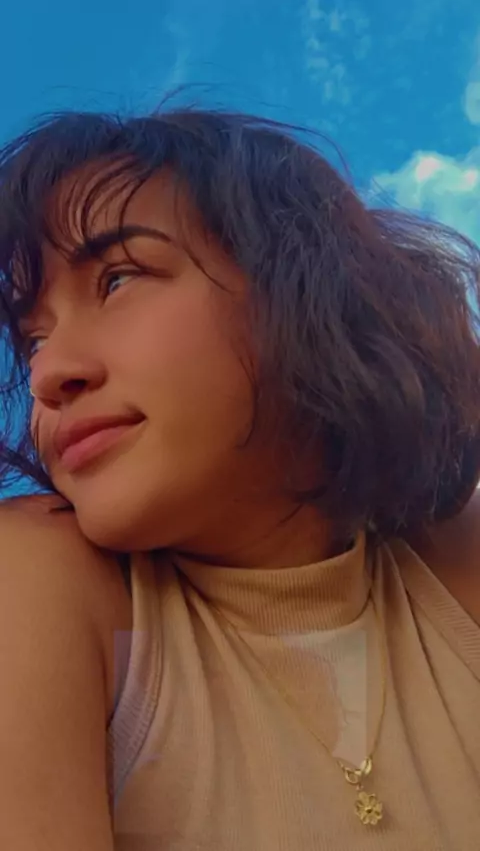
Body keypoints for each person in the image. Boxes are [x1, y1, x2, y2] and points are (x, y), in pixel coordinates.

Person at [0, 104, 479, 851]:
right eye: (34, 340)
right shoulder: (41, 573)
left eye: (118, 279)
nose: (49, 373)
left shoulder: (449, 565)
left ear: (307, 285)